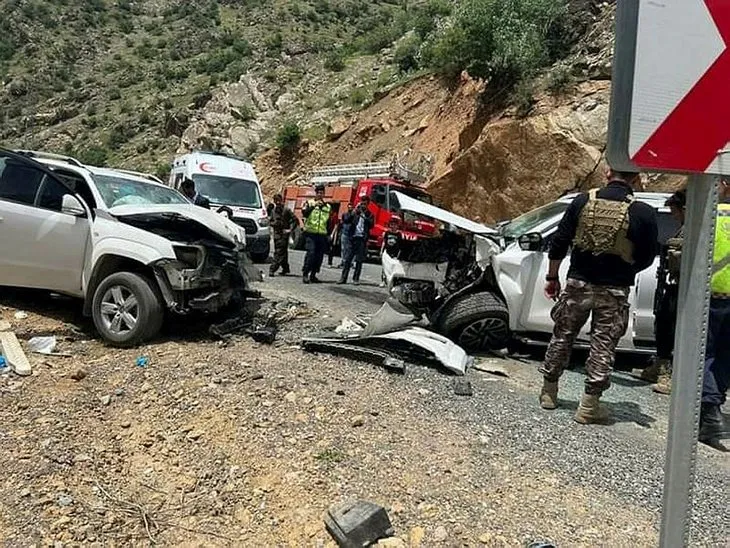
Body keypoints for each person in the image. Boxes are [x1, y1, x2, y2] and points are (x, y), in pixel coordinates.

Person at [538, 167, 659, 424]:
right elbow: (648, 256)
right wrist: (627, 269)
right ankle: (589, 406)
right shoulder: (643, 212)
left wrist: (551, 277)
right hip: (614, 291)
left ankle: (549, 392)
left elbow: (559, 242)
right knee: (603, 346)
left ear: (607, 173)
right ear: (636, 179)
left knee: (562, 336)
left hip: (577, 284)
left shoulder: (582, 201)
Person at [638, 190, 686, 394]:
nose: (673, 216)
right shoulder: (683, 229)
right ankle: (659, 364)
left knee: (674, 330)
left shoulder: (695, 230)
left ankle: (670, 374)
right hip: (673, 284)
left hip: (684, 289)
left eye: (675, 212)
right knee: (664, 324)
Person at [700, 178, 730, 450]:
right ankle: (714, 410)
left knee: (704, 354)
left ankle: (710, 412)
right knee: (724, 357)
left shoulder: (711, 215)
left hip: (711, 297)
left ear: (724, 184)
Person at [339, 196, 374, 285]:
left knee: (359, 260)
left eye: (365, 204)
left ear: (368, 204)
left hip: (362, 239)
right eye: (362, 203)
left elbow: (371, 225)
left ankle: (356, 279)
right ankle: (343, 278)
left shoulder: (369, 214)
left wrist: (364, 216)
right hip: (352, 238)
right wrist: (354, 211)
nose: (363, 205)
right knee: (347, 259)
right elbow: (346, 220)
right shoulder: (355, 212)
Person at [301, 184, 331, 284]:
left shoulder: (327, 206)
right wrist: (314, 206)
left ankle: (313, 274)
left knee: (319, 256)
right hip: (311, 233)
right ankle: (305, 273)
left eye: (322, 193)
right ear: (316, 193)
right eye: (318, 192)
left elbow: (329, 222)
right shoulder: (309, 203)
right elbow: (304, 213)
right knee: (311, 253)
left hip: (322, 234)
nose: (320, 194)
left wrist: (329, 234)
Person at [267, 193, 296, 277]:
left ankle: (272, 269)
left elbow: (295, 220)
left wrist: (290, 230)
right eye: (276, 201)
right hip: (277, 235)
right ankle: (285, 268)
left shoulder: (286, 210)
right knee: (282, 252)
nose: (278, 203)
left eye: (279, 201)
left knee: (278, 253)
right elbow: (270, 221)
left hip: (284, 235)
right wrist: (273, 223)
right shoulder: (273, 211)